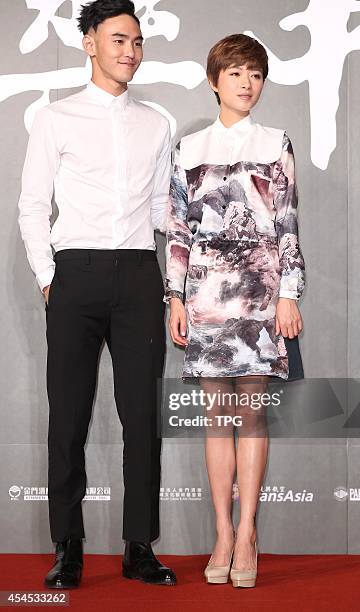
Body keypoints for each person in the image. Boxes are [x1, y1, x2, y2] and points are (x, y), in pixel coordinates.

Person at [18, 0, 176, 589]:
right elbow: (33, 204)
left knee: (142, 418)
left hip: (138, 275)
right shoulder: (56, 119)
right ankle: (69, 549)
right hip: (74, 276)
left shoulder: (156, 123)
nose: (130, 51)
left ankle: (139, 548)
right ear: (90, 44)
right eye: (117, 40)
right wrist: (47, 275)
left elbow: (163, 213)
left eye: (136, 40)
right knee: (68, 418)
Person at [165, 33, 305, 588]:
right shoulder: (189, 149)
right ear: (214, 80)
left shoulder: (276, 143)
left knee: (251, 413)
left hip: (261, 288)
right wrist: (173, 296)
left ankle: (248, 532)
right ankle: (221, 530)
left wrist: (289, 292)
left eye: (256, 74)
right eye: (237, 74)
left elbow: (288, 223)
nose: (248, 84)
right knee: (215, 418)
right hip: (204, 292)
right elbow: (178, 230)